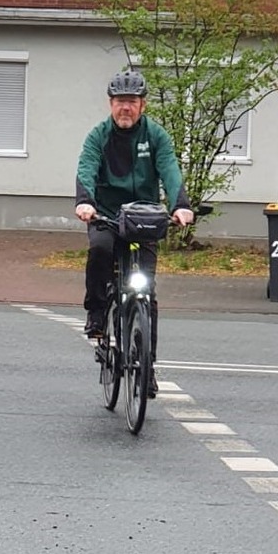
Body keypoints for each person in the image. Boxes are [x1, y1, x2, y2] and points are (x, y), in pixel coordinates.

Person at [75, 69, 194, 397]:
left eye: (131, 102)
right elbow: (86, 167)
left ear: (142, 105)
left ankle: (147, 368)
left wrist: (180, 205)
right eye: (119, 102)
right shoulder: (98, 136)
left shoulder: (156, 136)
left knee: (147, 295)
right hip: (108, 215)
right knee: (99, 249)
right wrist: (85, 202)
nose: (125, 108)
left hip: (145, 219)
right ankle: (97, 311)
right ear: (110, 104)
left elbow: (170, 169)